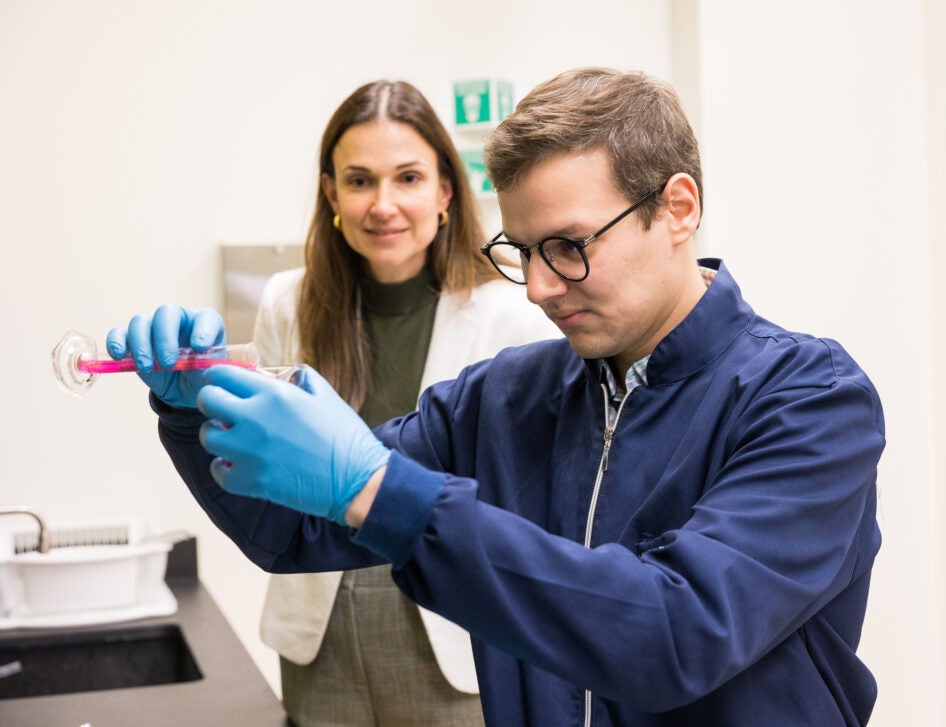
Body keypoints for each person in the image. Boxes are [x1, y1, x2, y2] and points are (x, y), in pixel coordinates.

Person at [109, 67, 885, 726]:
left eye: (570, 247)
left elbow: (676, 632)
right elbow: (289, 531)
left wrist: (381, 489)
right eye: (521, 251)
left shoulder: (810, 401)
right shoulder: (507, 398)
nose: (542, 287)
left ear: (678, 208)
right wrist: (195, 406)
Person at [202, 80, 557, 726]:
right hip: (321, 619)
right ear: (331, 192)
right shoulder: (288, 300)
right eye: (360, 180)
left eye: (409, 178)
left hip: (453, 620)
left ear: (446, 190)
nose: (384, 205)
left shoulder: (518, 317)